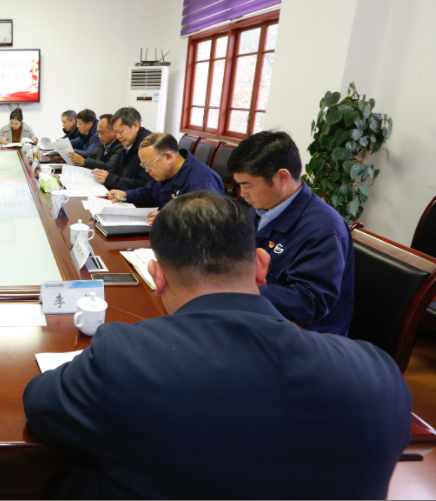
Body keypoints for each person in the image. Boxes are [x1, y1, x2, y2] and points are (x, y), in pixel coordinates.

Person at [23, 191, 411, 500]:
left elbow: (41, 404)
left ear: (157, 276)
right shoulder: (376, 373)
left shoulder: (124, 358)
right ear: (261, 265)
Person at [228, 130, 355, 336]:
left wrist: (240, 290)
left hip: (306, 336)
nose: (242, 194)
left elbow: (310, 302)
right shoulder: (263, 207)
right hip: (260, 314)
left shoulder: (324, 229)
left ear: (282, 177)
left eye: (247, 185)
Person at [106, 133, 224, 223]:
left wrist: (171, 218)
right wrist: (126, 195)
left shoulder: (203, 182)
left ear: (168, 157)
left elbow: (207, 221)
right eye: (144, 166)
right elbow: (149, 192)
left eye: (149, 164)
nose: (147, 170)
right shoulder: (165, 172)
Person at [92, 106, 153, 190]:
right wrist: (103, 175)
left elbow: (145, 185)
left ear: (135, 126)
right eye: (116, 132)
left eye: (121, 131)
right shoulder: (127, 143)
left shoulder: (149, 147)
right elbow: (117, 172)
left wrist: (110, 179)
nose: (118, 136)